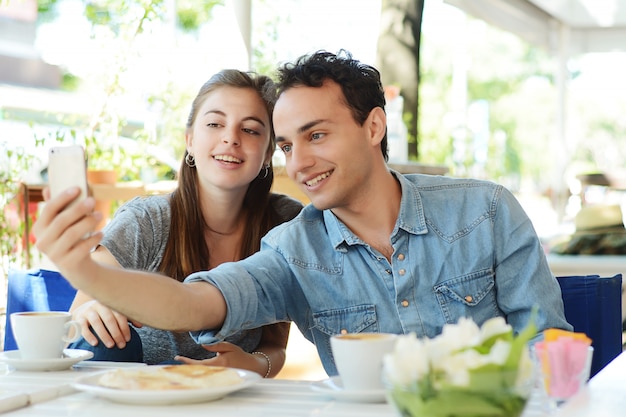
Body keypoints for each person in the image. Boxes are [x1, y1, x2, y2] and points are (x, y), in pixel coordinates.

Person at [33, 50, 571, 377]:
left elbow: (550, 353)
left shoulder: (487, 211)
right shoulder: (294, 247)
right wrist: (84, 273)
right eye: (289, 144)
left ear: (374, 127)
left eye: (316, 135)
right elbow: (191, 304)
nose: (302, 161)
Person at [66, 69, 303, 377]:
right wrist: (90, 312)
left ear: (269, 152)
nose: (231, 137)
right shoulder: (146, 221)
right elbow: (77, 318)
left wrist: (252, 365)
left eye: (250, 129)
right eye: (215, 124)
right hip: (137, 397)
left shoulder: (285, 223)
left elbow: (274, 344)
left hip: (229, 399)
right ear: (190, 140)